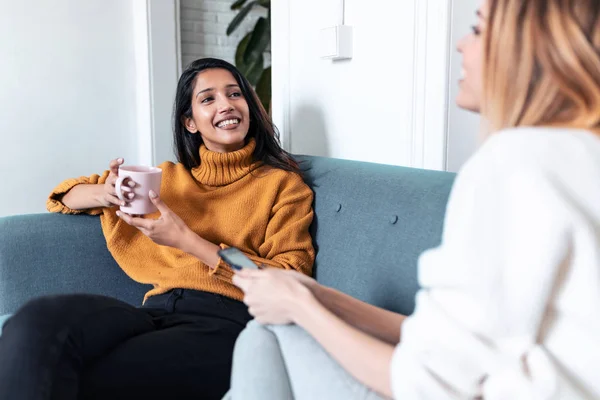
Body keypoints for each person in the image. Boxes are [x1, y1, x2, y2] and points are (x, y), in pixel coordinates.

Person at [230, 0, 600, 398]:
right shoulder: (581, 153)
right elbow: (456, 343)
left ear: (525, 47)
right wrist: (320, 298)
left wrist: (299, 309)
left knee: (266, 330)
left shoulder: (517, 159)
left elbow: (428, 383)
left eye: (477, 29)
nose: (462, 44)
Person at [0, 58, 315, 400]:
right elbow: (62, 196)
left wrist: (188, 241)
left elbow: (288, 275)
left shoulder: (283, 186)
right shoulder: (167, 179)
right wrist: (107, 192)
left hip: (227, 322)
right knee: (36, 322)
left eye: (235, 94)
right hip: (155, 310)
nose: (226, 104)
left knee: (91, 378)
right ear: (190, 122)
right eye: (208, 99)